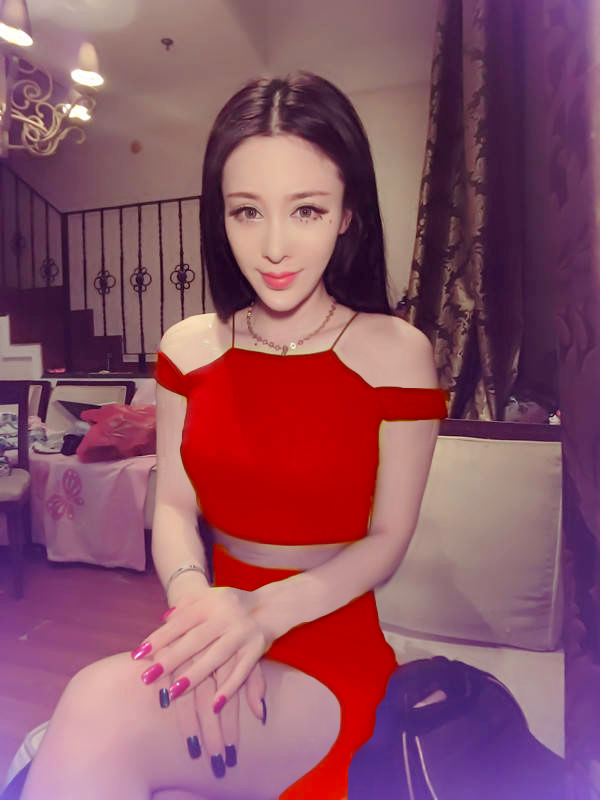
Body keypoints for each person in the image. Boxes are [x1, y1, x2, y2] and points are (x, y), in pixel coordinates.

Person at [18, 71, 447, 800]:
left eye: (306, 209)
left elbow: (389, 539)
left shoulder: (398, 352)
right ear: (220, 215)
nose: (274, 247)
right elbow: (172, 507)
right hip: (209, 618)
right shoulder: (187, 347)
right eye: (247, 211)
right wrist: (202, 612)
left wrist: (262, 614)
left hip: (327, 636)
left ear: (348, 213)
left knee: (94, 709)